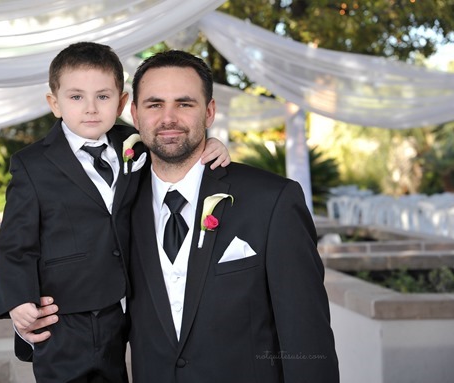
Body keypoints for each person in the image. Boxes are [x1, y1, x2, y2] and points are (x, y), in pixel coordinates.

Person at [0, 42, 229, 383]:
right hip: (65, 310)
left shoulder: (133, 144)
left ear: (121, 103)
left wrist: (212, 144)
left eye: (103, 97)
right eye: (76, 97)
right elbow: (15, 243)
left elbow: (176, 147)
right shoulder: (31, 165)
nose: (90, 109)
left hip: (121, 305)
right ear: (54, 104)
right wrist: (18, 302)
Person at [125, 50, 339, 382]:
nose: (168, 118)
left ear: (209, 111)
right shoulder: (119, 204)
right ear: (135, 114)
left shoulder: (272, 200)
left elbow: (306, 335)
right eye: (154, 104)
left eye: (184, 103)